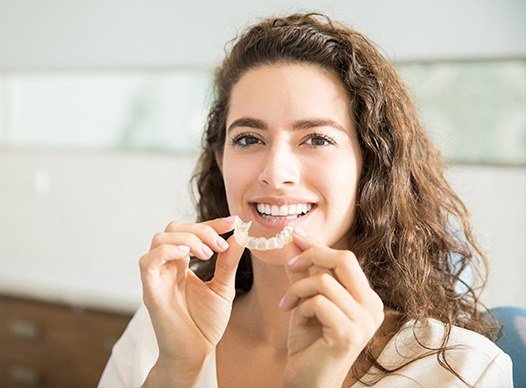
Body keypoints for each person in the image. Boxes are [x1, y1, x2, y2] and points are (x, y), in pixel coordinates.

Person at [98, 12, 513, 387]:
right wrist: (176, 371)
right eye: (248, 138)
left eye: (316, 138)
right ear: (220, 161)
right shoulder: (161, 331)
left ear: (370, 167)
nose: (275, 173)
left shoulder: (461, 370)